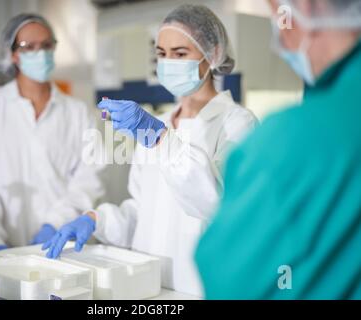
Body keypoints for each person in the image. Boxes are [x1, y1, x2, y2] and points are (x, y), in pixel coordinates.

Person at [42, 4, 258, 296]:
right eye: (161, 53)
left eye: (180, 54)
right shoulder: (161, 124)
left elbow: (217, 203)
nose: (168, 62)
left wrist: (159, 138)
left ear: (213, 54)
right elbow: (142, 210)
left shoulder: (236, 123)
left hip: (198, 288)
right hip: (147, 287)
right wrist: (96, 219)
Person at [195, 0, 361, 299]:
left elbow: (230, 277)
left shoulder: (286, 140)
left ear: (309, 7)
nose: (278, 36)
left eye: (277, 12)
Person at [0, 14, 104, 260]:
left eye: (47, 45)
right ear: (12, 54)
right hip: (4, 250)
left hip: (63, 246)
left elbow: (89, 179)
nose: (41, 53)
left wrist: (56, 223)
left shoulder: (79, 112)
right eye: (30, 47)